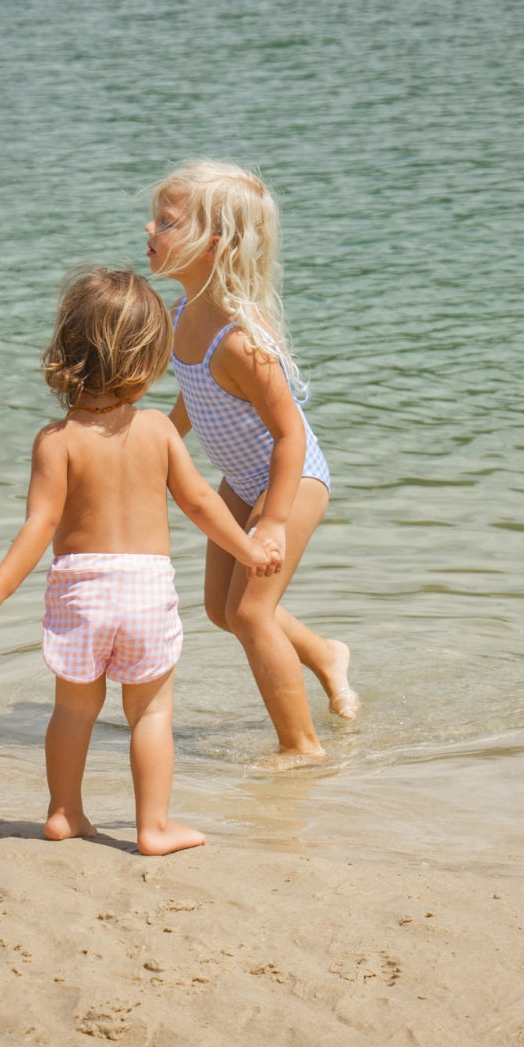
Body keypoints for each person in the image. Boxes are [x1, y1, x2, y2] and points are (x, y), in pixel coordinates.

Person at [0, 266, 278, 854]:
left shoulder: (56, 441)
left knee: (74, 710)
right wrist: (249, 548)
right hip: (145, 593)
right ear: (151, 358)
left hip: (80, 589)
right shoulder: (158, 430)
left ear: (65, 352)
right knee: (151, 711)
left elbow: (41, 524)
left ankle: (63, 813)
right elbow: (202, 503)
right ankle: (153, 828)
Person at [144, 160, 357, 766]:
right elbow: (196, 392)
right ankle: (324, 654)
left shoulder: (240, 339)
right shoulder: (185, 315)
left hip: (292, 480)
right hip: (244, 478)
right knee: (220, 608)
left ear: (213, 245)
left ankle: (301, 746)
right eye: (155, 217)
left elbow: (291, 435)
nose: (150, 228)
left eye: (166, 220)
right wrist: (158, 434)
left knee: (249, 611)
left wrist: (273, 520)